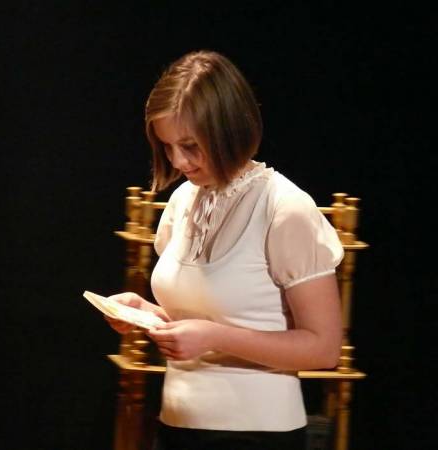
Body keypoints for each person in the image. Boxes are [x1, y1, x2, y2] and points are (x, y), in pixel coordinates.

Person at [105, 50, 344, 450]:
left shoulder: (284, 208)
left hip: (254, 434)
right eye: (167, 146)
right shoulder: (184, 201)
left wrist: (216, 337)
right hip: (178, 423)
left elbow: (323, 348)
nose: (178, 160)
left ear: (229, 130)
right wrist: (146, 314)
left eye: (190, 145)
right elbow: (205, 318)